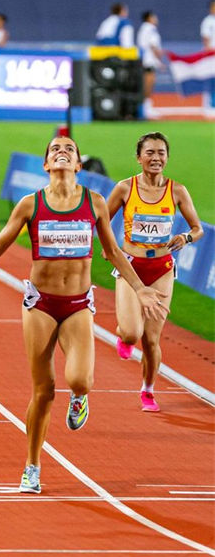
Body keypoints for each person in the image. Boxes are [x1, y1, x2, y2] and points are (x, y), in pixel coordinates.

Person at [0, 136, 167, 494]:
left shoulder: (94, 203)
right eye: (55, 150)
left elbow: (113, 252)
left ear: (78, 165)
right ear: (47, 165)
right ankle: (32, 466)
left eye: (69, 149)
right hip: (41, 305)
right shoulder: (29, 204)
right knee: (44, 390)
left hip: (78, 303)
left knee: (81, 380)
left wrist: (139, 286)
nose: (62, 151)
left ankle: (79, 399)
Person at [105, 132, 203, 413]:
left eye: (161, 153)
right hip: (130, 266)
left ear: (167, 158)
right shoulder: (125, 188)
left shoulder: (177, 191)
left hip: (161, 268)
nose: (156, 158)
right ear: (139, 157)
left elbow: (198, 228)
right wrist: (110, 247)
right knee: (133, 333)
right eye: (150, 153)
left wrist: (186, 238)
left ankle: (148, 390)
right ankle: (124, 335)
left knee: (151, 338)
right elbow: (103, 220)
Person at [137, 11, 164, 120]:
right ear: (149, 18)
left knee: (147, 83)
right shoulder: (150, 28)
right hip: (148, 60)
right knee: (149, 83)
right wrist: (159, 59)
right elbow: (153, 45)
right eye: (154, 16)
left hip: (144, 59)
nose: (156, 18)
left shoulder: (144, 28)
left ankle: (146, 106)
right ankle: (146, 108)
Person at [200, 0, 215, 117]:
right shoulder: (208, 21)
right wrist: (208, 51)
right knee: (210, 79)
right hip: (211, 54)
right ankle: (207, 106)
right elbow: (205, 38)